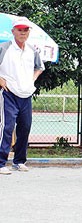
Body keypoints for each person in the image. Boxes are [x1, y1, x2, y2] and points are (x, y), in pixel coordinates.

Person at [0, 17, 45, 175]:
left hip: (26, 95)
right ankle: (1, 163)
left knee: (25, 127)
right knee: (6, 127)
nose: (23, 32)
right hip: (8, 94)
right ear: (13, 31)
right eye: (19, 29)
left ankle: (19, 161)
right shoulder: (4, 48)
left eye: (25, 30)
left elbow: (40, 67)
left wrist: (32, 79)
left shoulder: (32, 50)